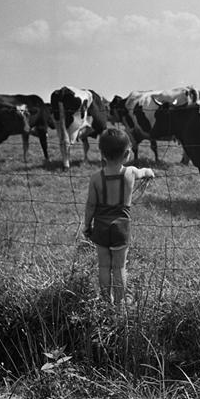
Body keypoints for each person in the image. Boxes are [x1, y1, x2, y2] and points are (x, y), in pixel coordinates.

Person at [84, 128, 154, 305]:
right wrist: (149, 171)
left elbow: (91, 205)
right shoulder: (130, 172)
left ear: (102, 153)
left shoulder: (96, 178)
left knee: (104, 266)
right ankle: (119, 305)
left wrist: (87, 225)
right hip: (121, 227)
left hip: (101, 226)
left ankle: (106, 301)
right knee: (119, 267)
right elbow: (144, 172)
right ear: (127, 153)